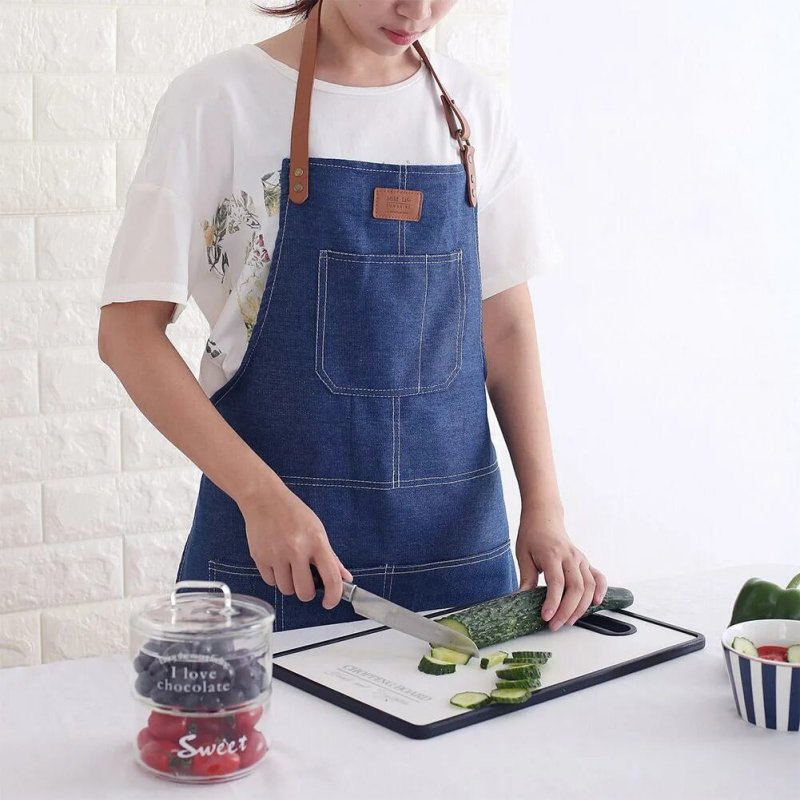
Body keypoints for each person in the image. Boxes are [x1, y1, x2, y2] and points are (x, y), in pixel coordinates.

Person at [97, 0, 608, 633]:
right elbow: (127, 333)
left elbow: (505, 329)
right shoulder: (219, 100)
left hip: (460, 554)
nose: (417, 10)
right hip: (277, 557)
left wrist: (546, 509)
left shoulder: (474, 111)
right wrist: (260, 498)